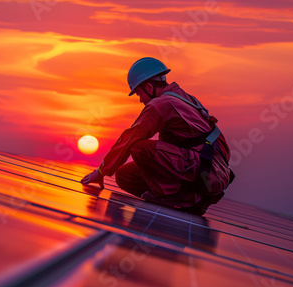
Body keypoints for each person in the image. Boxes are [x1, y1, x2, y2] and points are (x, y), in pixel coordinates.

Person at [81, 57, 234, 215]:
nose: (141, 101)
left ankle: (187, 200)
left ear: (148, 87)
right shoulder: (185, 99)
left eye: (139, 95)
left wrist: (101, 172)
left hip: (207, 173)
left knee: (139, 148)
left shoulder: (160, 104)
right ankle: (189, 196)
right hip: (213, 172)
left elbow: (130, 137)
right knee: (124, 176)